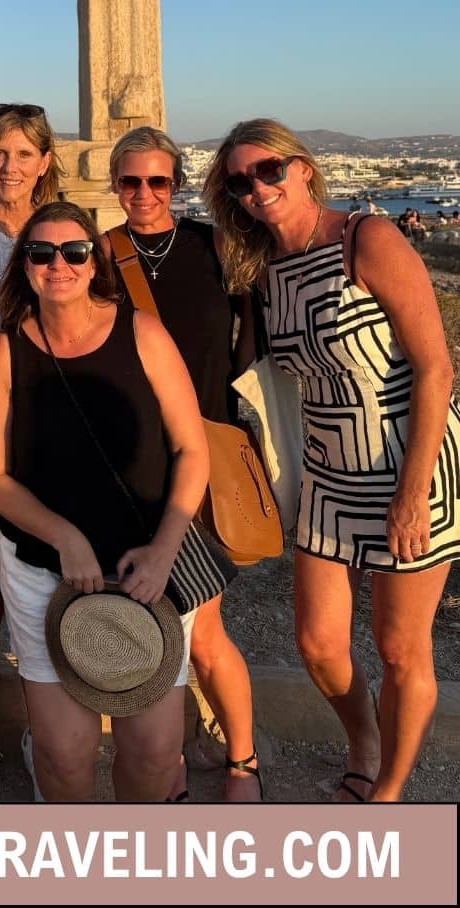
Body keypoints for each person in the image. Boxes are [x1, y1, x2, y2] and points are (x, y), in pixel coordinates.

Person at [204, 118, 460, 803]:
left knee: (400, 647)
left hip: (407, 460)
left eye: (269, 170)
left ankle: (388, 794)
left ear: (304, 169)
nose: (257, 188)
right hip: (328, 472)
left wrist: (412, 494)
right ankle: (365, 742)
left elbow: (436, 369)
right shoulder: (264, 267)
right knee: (318, 644)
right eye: (239, 181)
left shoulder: (364, 238)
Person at [0, 201, 209, 803]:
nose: (59, 264)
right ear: (24, 265)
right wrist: (65, 537)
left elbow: (191, 449)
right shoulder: (4, 354)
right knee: (63, 755)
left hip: (147, 566)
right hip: (43, 570)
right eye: (41, 252)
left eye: (74, 251)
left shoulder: (142, 333)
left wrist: (165, 550)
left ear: (94, 261)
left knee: (154, 754)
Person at [101, 127, 262, 802]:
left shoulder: (214, 247)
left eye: (158, 181)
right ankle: (165, 763)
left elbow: (250, 342)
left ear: (176, 183)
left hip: (205, 456)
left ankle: (242, 760)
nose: (144, 193)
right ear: (115, 184)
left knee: (206, 630)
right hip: (132, 461)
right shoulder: (100, 255)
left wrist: (235, 420)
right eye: (130, 181)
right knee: (146, 619)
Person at [0, 101, 65, 802]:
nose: (10, 166)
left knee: (47, 592)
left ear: (45, 161)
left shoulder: (62, 231)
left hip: (47, 433)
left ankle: (40, 728)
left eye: (25, 153)